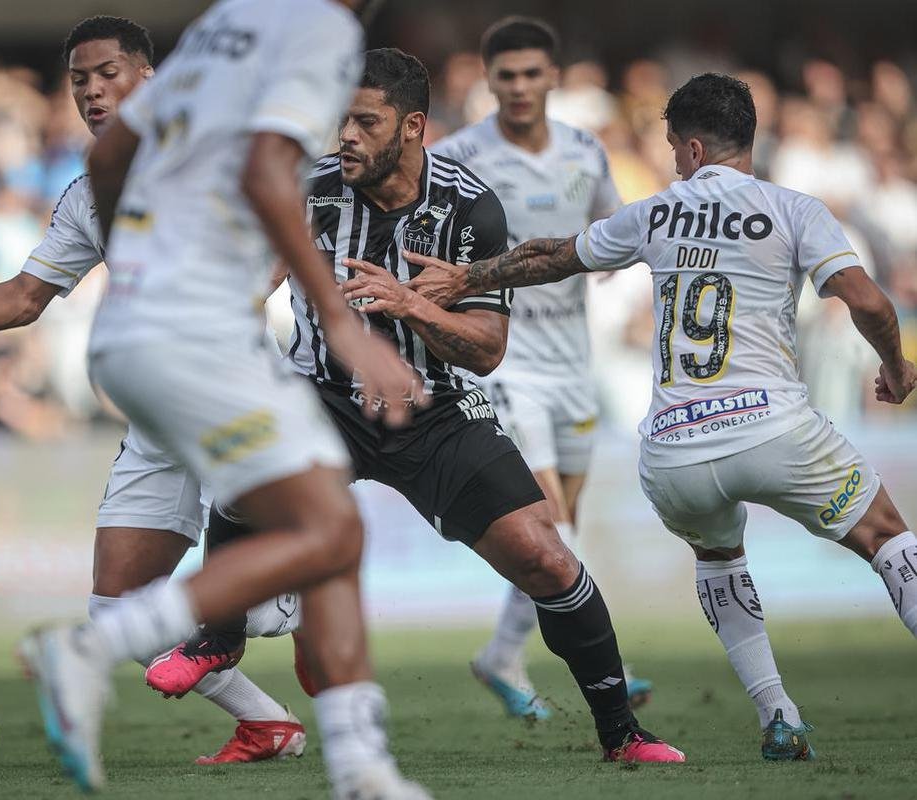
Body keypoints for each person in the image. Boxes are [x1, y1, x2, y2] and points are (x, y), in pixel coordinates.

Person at [151, 47, 686, 766]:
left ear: (411, 127)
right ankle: (220, 636)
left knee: (546, 558)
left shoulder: (469, 207)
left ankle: (623, 734)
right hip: (324, 397)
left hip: (434, 411)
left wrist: (410, 304)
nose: (344, 136)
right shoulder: (306, 190)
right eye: (339, 119)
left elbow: (488, 349)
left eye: (363, 122)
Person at [403, 72, 917, 762]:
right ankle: (780, 714)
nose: (674, 160)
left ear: (696, 147)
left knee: (718, 555)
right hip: (773, 429)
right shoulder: (796, 210)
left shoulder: (656, 212)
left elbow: (553, 257)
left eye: (675, 147)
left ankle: (779, 715)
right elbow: (871, 303)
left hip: (674, 451)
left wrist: (466, 278)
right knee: (888, 538)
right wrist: (894, 364)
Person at [18, 2, 431, 796]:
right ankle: (93, 647)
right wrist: (345, 330)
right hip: (196, 326)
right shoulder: (320, 31)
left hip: (138, 323)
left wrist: (137, 260)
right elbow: (263, 171)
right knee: (331, 528)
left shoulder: (225, 24)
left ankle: (360, 766)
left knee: (330, 530)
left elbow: (112, 160)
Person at [0, 15, 306, 767]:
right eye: (80, 80)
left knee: (254, 589)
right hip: (154, 413)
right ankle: (269, 724)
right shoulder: (89, 192)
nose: (93, 91)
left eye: (109, 74)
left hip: (233, 393)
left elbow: (280, 236)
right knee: (115, 605)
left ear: (150, 78)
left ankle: (280, 593)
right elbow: (23, 297)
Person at [430, 15, 651, 722]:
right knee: (550, 519)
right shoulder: (461, 155)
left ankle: (501, 652)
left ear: (553, 77)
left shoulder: (587, 152)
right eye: (507, 75)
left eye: (533, 74)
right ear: (487, 79)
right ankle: (595, 663)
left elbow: (609, 236)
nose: (521, 87)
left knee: (568, 524)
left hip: (573, 365)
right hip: (502, 362)